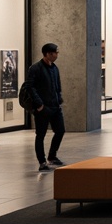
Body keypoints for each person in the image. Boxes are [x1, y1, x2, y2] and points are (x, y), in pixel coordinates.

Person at [25, 42, 66, 171]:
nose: (57, 55)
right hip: (42, 108)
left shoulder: (55, 68)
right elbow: (30, 87)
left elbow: (57, 86)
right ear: (48, 54)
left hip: (55, 106)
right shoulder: (35, 68)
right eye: (55, 53)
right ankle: (42, 162)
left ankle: (52, 156)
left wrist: (59, 98)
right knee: (40, 135)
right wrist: (39, 104)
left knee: (60, 131)